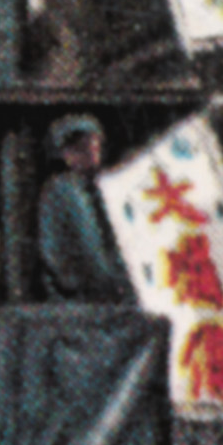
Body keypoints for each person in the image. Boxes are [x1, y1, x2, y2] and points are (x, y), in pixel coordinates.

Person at [34, 113, 136, 303]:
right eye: (77, 148)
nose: (87, 152)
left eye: (91, 144)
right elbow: (65, 247)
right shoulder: (61, 191)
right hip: (83, 296)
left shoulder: (111, 184)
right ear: (65, 154)